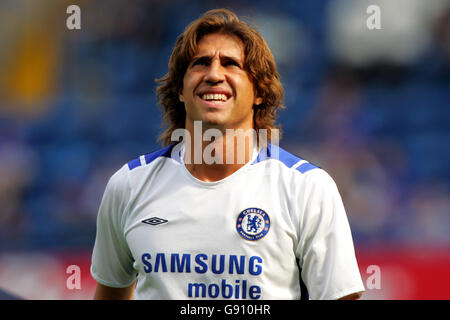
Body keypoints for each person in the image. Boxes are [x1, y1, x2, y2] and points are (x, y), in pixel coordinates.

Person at [90, 8, 365, 300]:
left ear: (259, 91)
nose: (214, 74)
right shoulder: (129, 186)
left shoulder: (307, 188)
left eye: (231, 64)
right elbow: (111, 291)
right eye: (201, 63)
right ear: (181, 90)